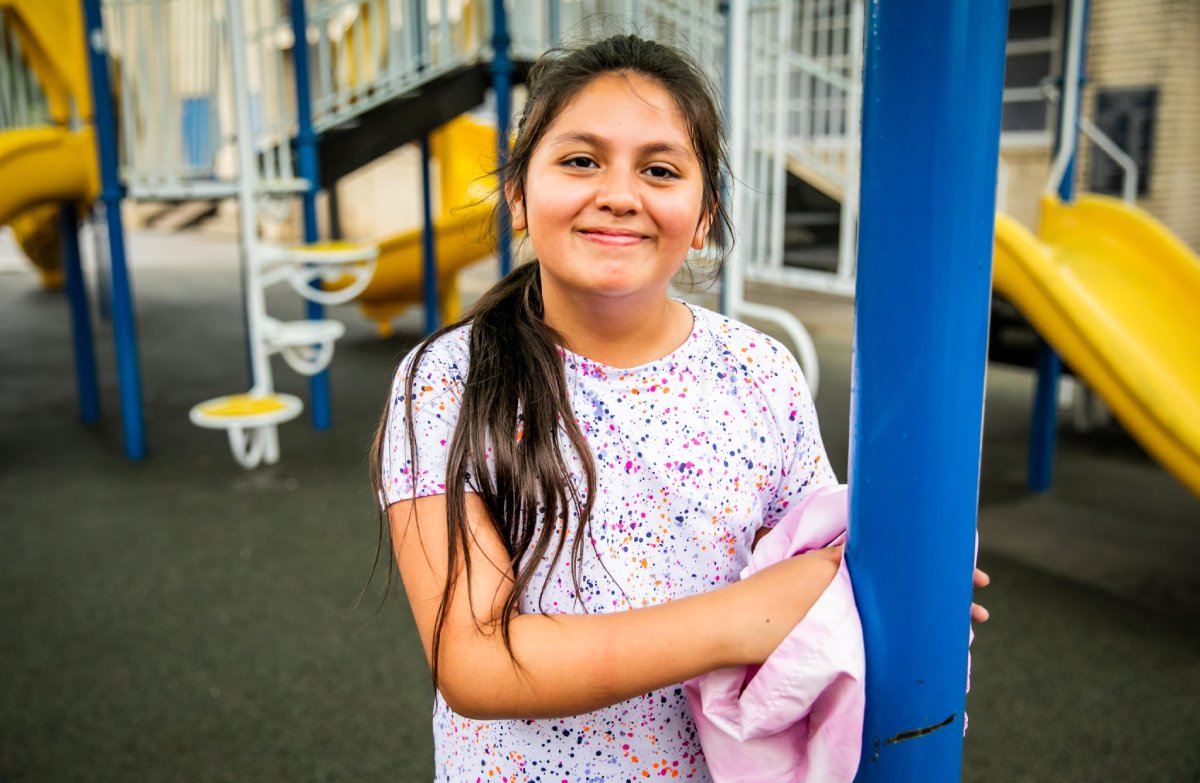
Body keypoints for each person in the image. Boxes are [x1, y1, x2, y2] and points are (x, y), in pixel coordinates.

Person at [370, 34, 987, 782]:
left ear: (703, 217)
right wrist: (740, 620)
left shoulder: (759, 373)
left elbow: (812, 563)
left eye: (659, 169)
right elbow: (475, 662)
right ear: (518, 195)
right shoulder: (448, 379)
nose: (619, 193)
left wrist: (899, 585)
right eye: (579, 160)